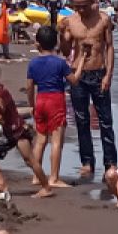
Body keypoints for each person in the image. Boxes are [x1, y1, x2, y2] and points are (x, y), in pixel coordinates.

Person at [0, 60, 52, 199]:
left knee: (29, 160)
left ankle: (46, 187)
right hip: (8, 132)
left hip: (18, 131)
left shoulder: (1, 94)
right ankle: (1, 183)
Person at [59, 0, 117, 177]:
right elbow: (66, 52)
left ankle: (110, 163)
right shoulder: (71, 21)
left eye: (84, 6)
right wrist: (62, 34)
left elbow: (109, 48)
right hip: (79, 74)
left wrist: (108, 74)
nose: (81, 10)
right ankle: (87, 161)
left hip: (99, 72)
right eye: (77, 7)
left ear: (92, 2)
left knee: (105, 121)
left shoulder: (103, 20)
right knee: (81, 120)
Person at [26, 26, 81, 188]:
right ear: (56, 43)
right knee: (56, 141)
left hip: (40, 98)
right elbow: (74, 80)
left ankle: (37, 176)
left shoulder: (33, 63)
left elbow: (29, 87)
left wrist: (32, 105)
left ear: (38, 44)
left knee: (40, 140)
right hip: (55, 99)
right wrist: (82, 60)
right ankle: (54, 177)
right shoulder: (59, 62)